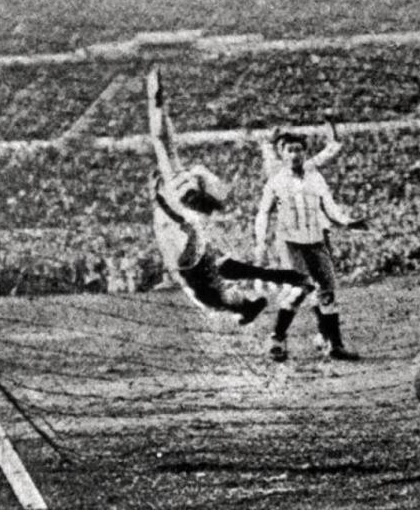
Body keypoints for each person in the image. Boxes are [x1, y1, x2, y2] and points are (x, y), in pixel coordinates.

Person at [146, 68, 313, 329]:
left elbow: (161, 140)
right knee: (220, 271)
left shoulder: (169, 180)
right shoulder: (179, 178)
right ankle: (265, 289)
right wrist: (160, 106)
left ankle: (250, 299)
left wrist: (154, 101)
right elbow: (166, 140)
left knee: (207, 294)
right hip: (196, 231)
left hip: (188, 238)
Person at [254, 131, 366, 362]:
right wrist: (261, 242)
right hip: (291, 243)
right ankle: (277, 338)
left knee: (327, 292)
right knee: (299, 289)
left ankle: (334, 345)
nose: (295, 155)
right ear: (282, 153)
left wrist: (347, 221)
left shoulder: (315, 177)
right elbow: (263, 212)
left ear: (305, 152)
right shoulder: (276, 181)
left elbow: (329, 206)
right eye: (290, 150)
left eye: (299, 150)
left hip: (316, 241)